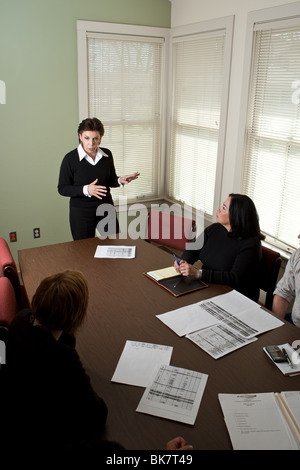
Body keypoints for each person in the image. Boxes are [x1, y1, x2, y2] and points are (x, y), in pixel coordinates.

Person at [1, 270, 192, 452]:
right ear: (76, 316)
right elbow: (97, 415)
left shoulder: (21, 319)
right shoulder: (62, 356)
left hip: (16, 419)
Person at [58, 117, 139, 240]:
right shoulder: (70, 159)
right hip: (81, 213)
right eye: (87, 138)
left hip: (106, 208)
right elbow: (62, 188)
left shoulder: (107, 155)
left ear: (100, 138)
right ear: (80, 136)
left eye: (95, 138)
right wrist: (86, 190)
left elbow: (110, 179)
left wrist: (119, 180)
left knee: (114, 244)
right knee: (83, 252)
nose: (91, 143)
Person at [174, 193, 265, 302]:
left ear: (235, 215)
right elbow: (193, 249)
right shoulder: (215, 229)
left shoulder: (251, 244)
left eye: (224, 208)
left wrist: (199, 273)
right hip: (208, 288)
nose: (218, 209)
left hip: (235, 297)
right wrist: (184, 261)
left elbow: (234, 278)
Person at [272, 235, 300, 327]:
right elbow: (283, 293)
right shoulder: (298, 255)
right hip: (294, 321)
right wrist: (276, 326)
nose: (299, 236)